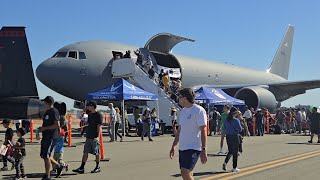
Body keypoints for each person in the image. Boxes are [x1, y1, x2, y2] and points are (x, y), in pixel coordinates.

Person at [169, 88, 207, 180]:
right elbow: (180, 130)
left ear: (185, 98)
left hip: (194, 147)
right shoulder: (183, 111)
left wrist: (204, 149)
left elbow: (203, 130)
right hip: (183, 147)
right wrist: (174, 146)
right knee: (188, 173)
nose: (178, 99)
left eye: (180, 97)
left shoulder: (199, 110)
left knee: (184, 172)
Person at [73, 101, 102, 174]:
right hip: (88, 136)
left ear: (92, 106)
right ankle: (82, 167)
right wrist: (83, 116)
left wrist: (97, 136)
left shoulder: (98, 114)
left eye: (88, 106)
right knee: (85, 152)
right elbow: (87, 123)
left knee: (96, 152)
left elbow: (99, 126)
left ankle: (97, 166)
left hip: (94, 136)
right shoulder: (89, 114)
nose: (87, 107)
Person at [39, 96, 65, 180]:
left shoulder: (54, 112)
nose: (44, 104)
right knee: (44, 155)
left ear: (47, 103)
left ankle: (47, 175)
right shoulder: (47, 112)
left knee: (46, 156)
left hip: (51, 137)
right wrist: (41, 129)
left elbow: (57, 125)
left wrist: (45, 128)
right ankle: (58, 166)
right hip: (46, 136)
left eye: (45, 102)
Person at [222, 107, 243, 172]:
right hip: (235, 136)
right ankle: (234, 167)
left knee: (230, 151)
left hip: (228, 136)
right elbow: (240, 129)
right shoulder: (236, 120)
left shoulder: (226, 119)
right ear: (235, 113)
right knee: (235, 152)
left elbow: (225, 127)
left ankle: (225, 162)